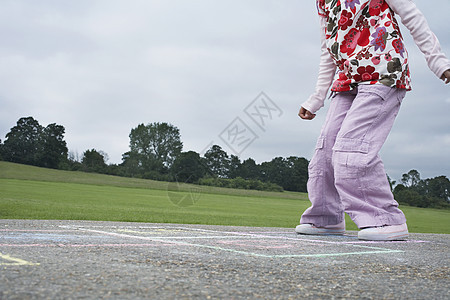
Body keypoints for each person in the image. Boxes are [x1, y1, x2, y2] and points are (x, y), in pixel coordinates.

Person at [296, 0, 450, 241]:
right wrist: (317, 97)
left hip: (383, 71)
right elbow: (328, 47)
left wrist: (439, 62)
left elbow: (412, 17)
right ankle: (326, 218)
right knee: (325, 153)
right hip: (347, 80)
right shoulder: (323, 2)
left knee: (351, 149)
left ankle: (385, 219)